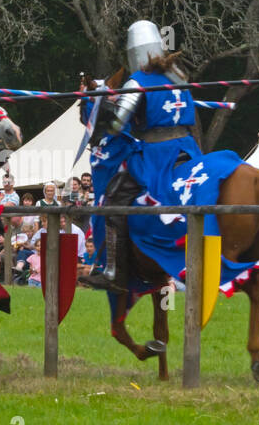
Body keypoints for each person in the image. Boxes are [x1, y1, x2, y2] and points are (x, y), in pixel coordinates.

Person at [82, 19, 246, 293]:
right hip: (189, 148)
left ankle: (113, 271)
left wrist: (105, 104)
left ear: (132, 51)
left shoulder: (137, 82)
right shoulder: (177, 76)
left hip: (157, 155)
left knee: (113, 199)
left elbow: (115, 126)